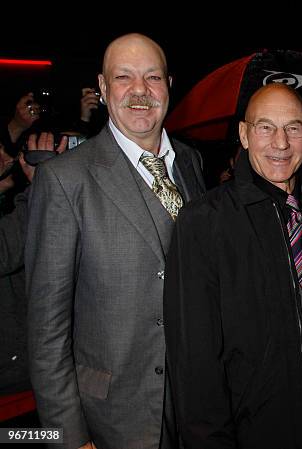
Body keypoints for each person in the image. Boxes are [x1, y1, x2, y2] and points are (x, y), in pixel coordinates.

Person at [25, 33, 206, 449]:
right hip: (110, 416)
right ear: (104, 89)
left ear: (169, 85)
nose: (140, 90)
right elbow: (46, 330)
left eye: (152, 77)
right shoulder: (64, 180)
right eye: (124, 77)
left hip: (197, 404)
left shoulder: (192, 162)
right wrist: (68, 438)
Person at [164, 83, 302, 449]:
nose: (281, 143)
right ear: (243, 134)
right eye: (265, 127)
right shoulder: (203, 222)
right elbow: (194, 359)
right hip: (253, 431)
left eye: (293, 127)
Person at [1, 133, 67, 399]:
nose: (9, 160)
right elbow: (6, 249)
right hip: (10, 383)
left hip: (26, 372)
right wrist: (43, 184)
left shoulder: (8, 205)